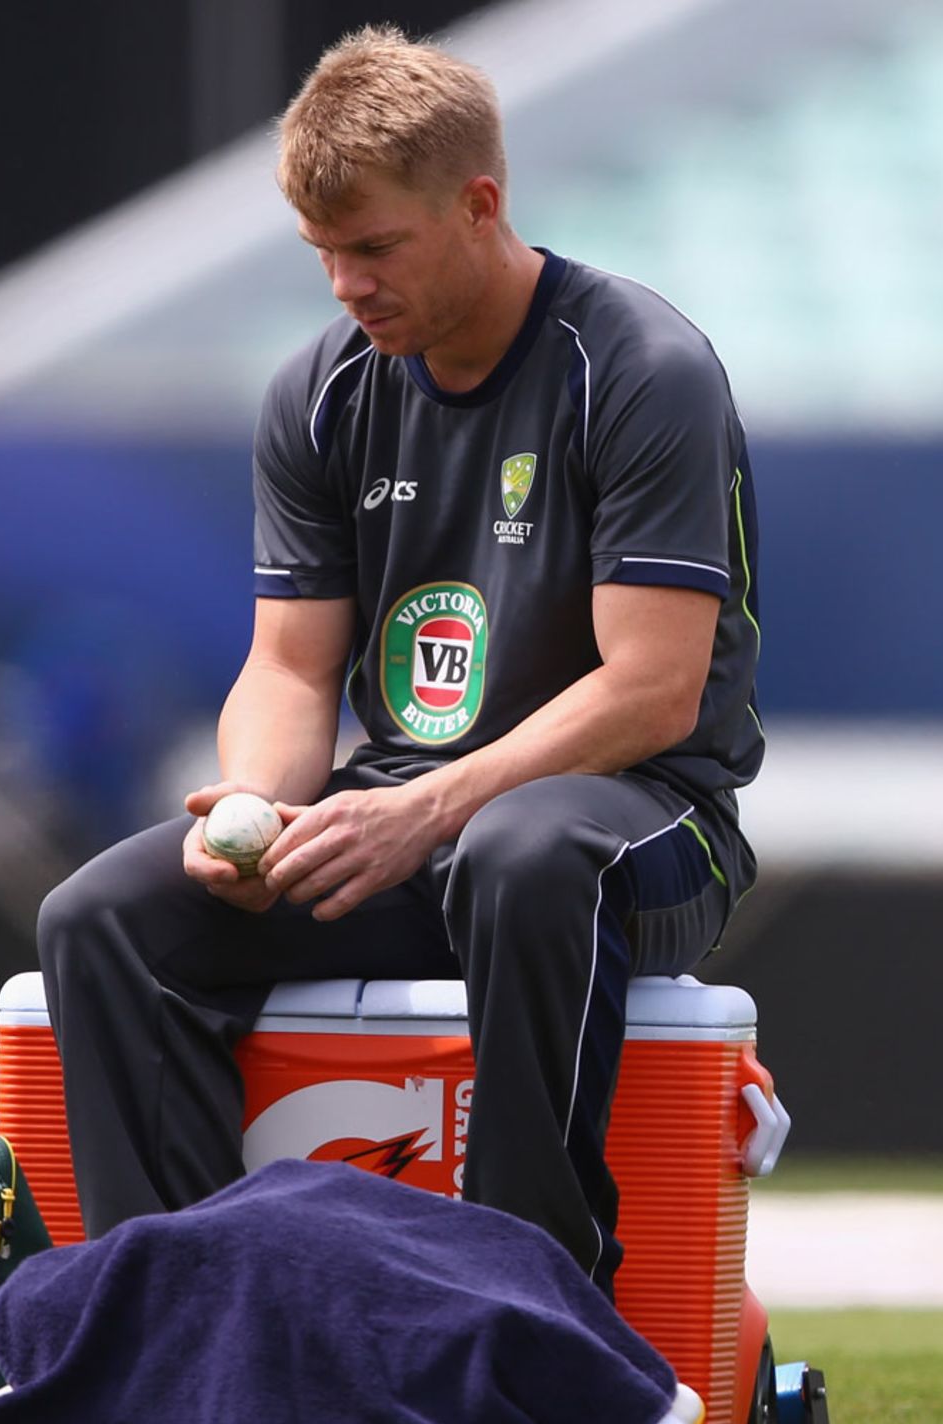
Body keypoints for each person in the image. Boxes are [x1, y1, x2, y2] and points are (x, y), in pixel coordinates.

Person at [38, 24, 762, 1297]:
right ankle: (187, 1327)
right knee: (103, 916)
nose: (343, 286)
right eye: (320, 253)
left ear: (478, 205)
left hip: (647, 822)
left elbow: (653, 693)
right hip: (405, 823)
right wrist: (252, 813)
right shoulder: (317, 393)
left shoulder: (639, 369)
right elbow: (288, 671)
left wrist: (425, 807)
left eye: (372, 248)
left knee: (521, 850)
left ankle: (530, 1318)